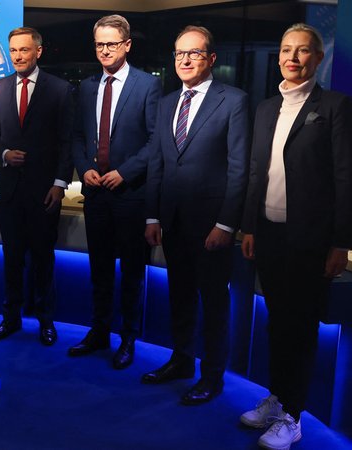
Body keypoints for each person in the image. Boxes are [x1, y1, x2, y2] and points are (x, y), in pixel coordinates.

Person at [239, 23, 352, 450]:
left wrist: (341, 241)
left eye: (303, 51)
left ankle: (293, 415)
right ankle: (277, 398)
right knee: (276, 324)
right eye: (286, 49)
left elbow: (345, 177)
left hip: (310, 240)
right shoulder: (267, 108)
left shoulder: (337, 107)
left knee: (300, 329)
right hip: (267, 235)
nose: (293, 57)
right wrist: (249, 225)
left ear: (318, 58)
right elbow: (256, 172)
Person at [143, 26, 250, 405]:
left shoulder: (234, 101)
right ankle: (182, 361)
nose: (185, 60)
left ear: (211, 58)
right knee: (180, 297)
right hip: (171, 222)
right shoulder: (167, 102)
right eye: (178, 54)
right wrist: (152, 217)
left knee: (214, 303)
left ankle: (212, 376)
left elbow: (239, 169)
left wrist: (226, 224)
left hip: (211, 228)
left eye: (194, 53)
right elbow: (157, 164)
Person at [69, 14, 161, 369]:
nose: (104, 50)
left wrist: (125, 172)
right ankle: (99, 332)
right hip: (96, 195)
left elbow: (156, 141)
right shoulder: (89, 86)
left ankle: (128, 339)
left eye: (111, 44)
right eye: (99, 44)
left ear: (127, 45)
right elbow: (78, 137)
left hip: (130, 195)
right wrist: (85, 168)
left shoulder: (147, 85)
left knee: (132, 273)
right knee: (100, 269)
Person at [0, 27, 74, 346]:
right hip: (10, 190)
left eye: (24, 50)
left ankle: (45, 321)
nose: (18, 56)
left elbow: (67, 142)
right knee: (12, 259)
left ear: (38, 51)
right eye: (13, 50)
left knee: (43, 259)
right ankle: (11, 318)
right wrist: (5, 154)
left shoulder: (60, 90)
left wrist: (60, 184)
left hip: (44, 192)